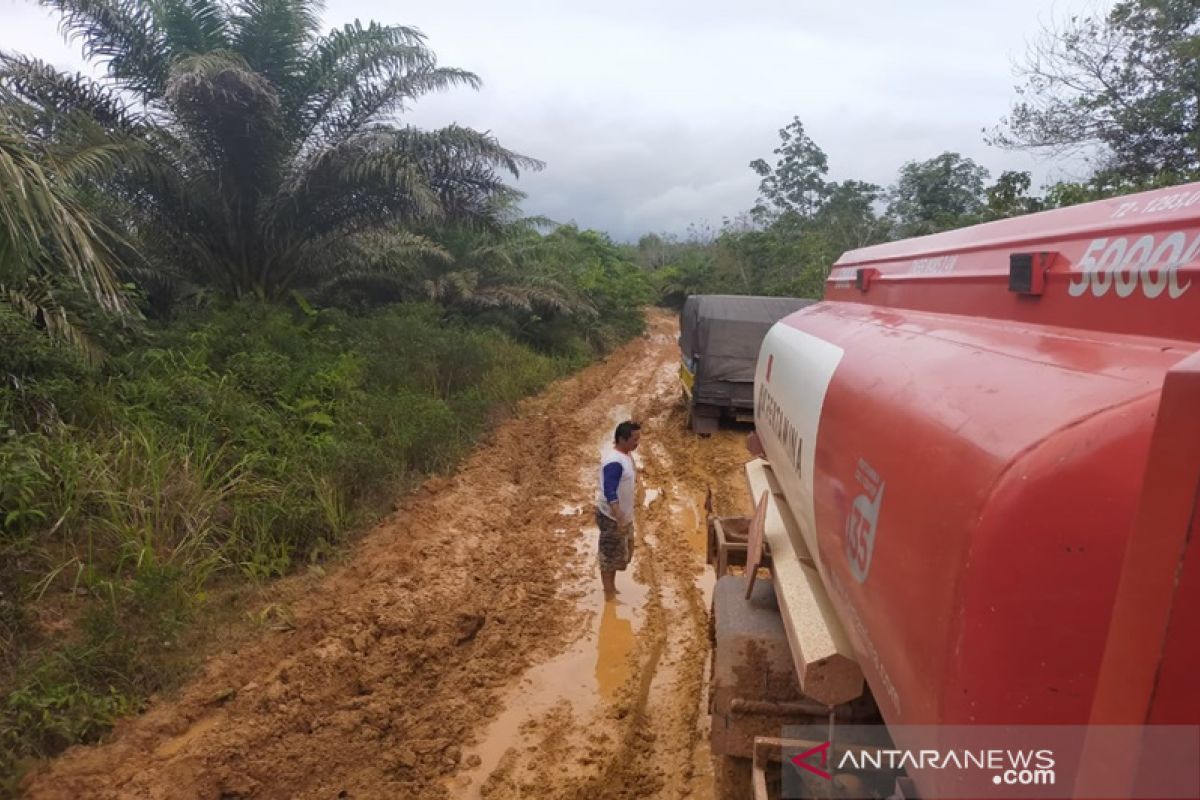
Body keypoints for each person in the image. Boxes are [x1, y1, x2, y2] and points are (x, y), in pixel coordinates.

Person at [595, 420, 641, 596]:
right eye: (634, 439)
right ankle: (609, 592)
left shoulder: (627, 454)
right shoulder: (614, 462)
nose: (637, 443)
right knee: (609, 556)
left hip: (623, 516)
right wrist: (618, 516)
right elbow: (609, 490)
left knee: (623, 553)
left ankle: (611, 587)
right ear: (622, 439)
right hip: (612, 517)